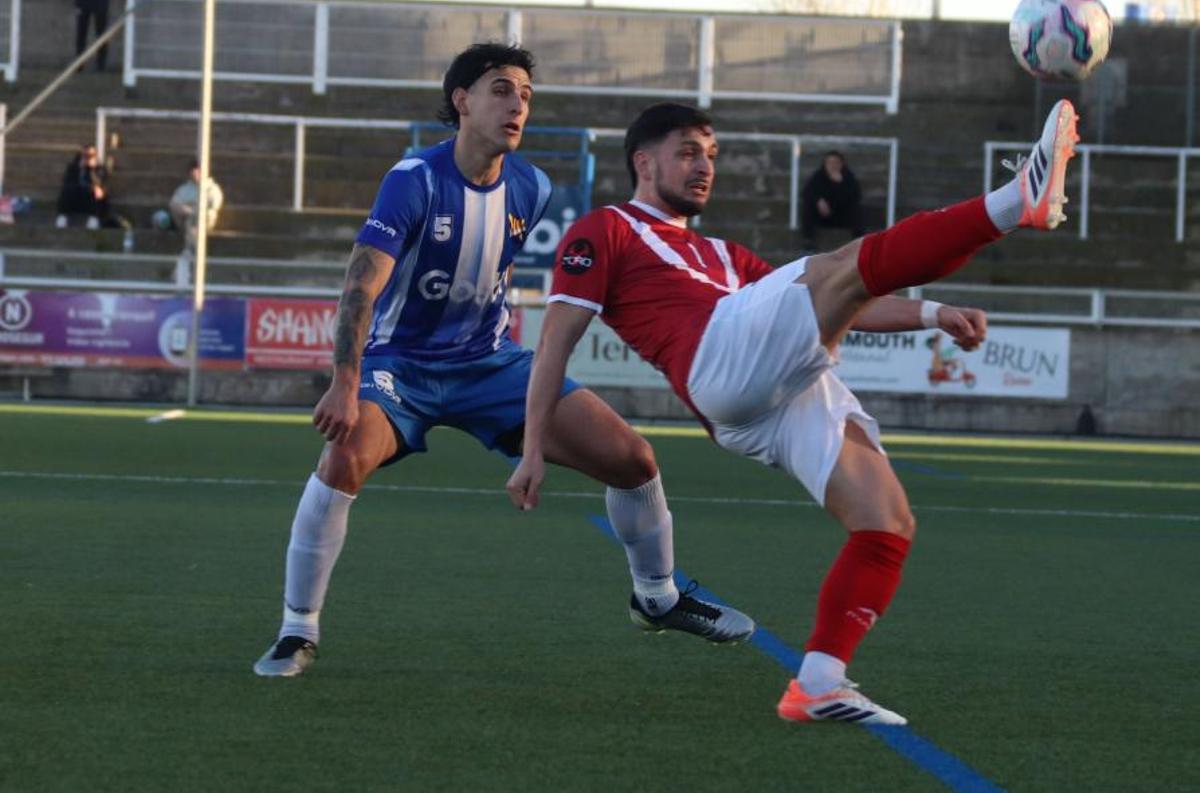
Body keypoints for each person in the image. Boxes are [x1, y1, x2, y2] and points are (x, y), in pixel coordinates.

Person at [509, 98, 1080, 725]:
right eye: (688, 153)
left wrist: (931, 313)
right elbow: (555, 341)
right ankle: (1014, 201)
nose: (704, 167)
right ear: (643, 163)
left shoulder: (724, 255)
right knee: (832, 267)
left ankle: (819, 682)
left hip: (765, 397)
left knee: (886, 520)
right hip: (714, 360)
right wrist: (534, 447)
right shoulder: (606, 227)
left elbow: (844, 296)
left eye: (711, 155)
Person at [253, 44, 753, 678]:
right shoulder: (414, 179)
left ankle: (658, 598)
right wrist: (345, 381)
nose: (517, 104)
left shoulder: (532, 186)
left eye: (525, 95)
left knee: (634, 460)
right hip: (401, 366)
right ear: (461, 101)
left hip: (491, 364)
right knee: (343, 456)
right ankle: (297, 630)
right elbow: (361, 282)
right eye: (501, 90)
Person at [801, 149, 865, 248]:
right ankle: (808, 241)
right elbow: (807, 193)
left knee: (856, 210)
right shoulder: (818, 177)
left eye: (836, 162)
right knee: (808, 208)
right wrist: (818, 201)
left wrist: (840, 184)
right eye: (829, 162)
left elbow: (855, 197)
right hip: (822, 216)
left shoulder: (848, 177)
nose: (832, 166)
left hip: (842, 217)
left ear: (841, 164)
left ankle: (859, 243)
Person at [152, 161, 224, 247]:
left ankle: (192, 248)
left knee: (195, 220)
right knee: (160, 216)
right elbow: (174, 203)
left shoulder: (212, 188)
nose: (195, 174)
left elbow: (214, 205)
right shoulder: (184, 189)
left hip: (203, 221)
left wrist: (195, 211)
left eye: (197, 171)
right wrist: (188, 211)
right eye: (193, 171)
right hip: (184, 219)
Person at [55, 145, 113, 229]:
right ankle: (62, 217)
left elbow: (100, 183)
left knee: (98, 192)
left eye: (91, 155)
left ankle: (94, 220)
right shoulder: (73, 168)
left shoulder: (100, 169)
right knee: (68, 190)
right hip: (76, 196)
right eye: (85, 155)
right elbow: (67, 182)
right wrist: (79, 168)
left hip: (90, 197)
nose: (87, 158)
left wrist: (91, 170)